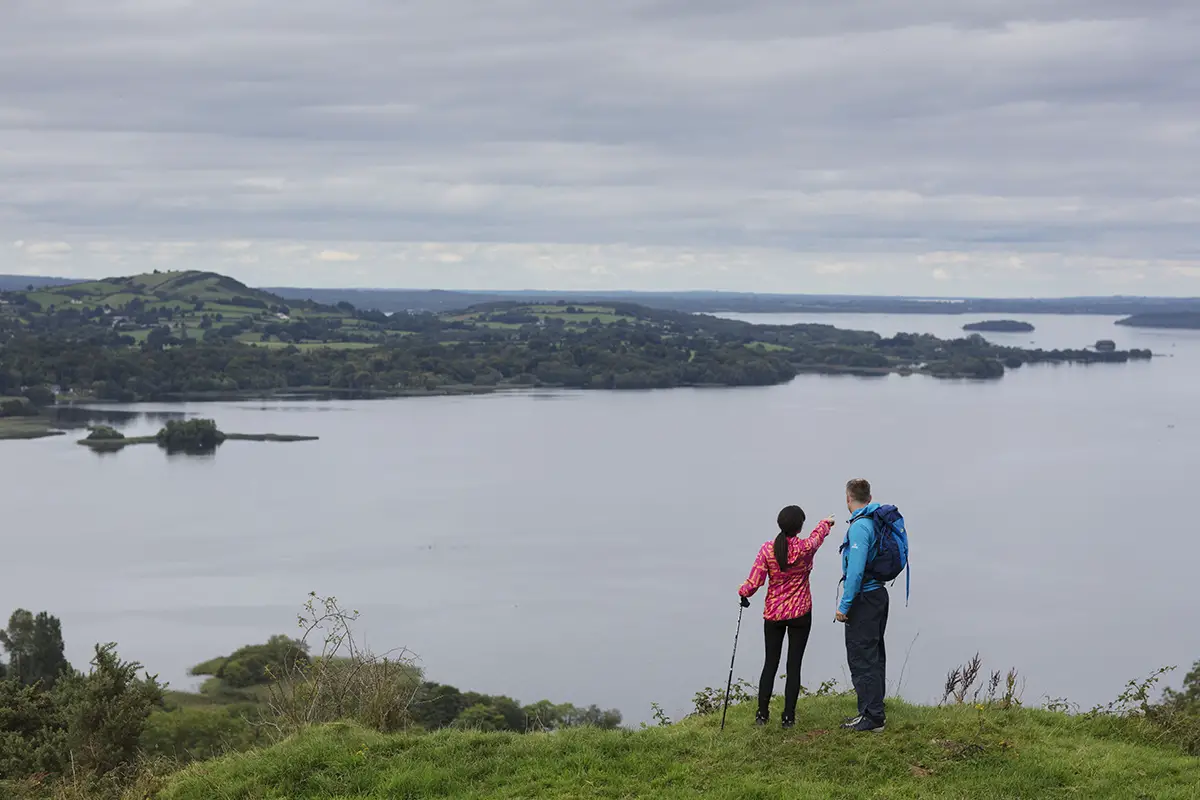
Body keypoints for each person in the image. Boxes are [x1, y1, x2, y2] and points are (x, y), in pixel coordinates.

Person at [738, 506, 835, 729]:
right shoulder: (805, 548)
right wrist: (826, 523)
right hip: (801, 612)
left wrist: (743, 592)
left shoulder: (767, 549)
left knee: (770, 663)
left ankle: (762, 715)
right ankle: (788, 718)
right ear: (800, 527)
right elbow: (816, 537)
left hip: (774, 613)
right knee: (794, 666)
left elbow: (754, 582)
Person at [836, 478, 888, 733]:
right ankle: (874, 710)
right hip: (879, 594)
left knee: (861, 656)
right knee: (875, 654)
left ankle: (871, 716)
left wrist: (844, 606)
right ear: (869, 497)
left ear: (848, 498)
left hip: (864, 599)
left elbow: (855, 572)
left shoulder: (859, 527)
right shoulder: (878, 522)